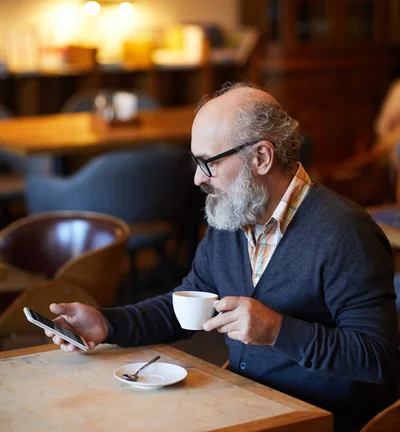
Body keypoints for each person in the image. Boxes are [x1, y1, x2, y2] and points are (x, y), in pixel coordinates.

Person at [46, 83, 400, 432]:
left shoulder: (345, 233)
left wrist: (278, 330)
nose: (199, 179)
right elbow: (186, 305)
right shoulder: (232, 214)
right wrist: (107, 324)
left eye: (208, 162)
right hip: (246, 404)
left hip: (318, 420)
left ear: (261, 157)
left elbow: (379, 358)